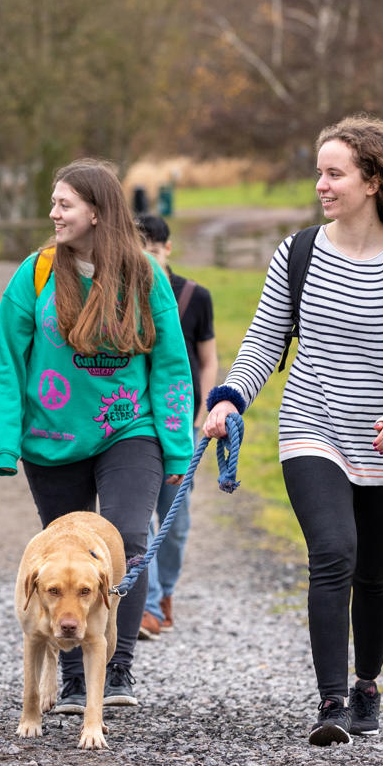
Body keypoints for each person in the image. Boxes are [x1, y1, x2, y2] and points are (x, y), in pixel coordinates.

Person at [203, 115, 383, 746]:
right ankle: (332, 701)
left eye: (334, 173)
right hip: (312, 426)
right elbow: (265, 338)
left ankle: (368, 683)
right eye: (319, 172)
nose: (321, 184)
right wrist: (232, 395)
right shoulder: (299, 253)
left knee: (375, 571)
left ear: (371, 181)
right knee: (333, 553)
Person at [0, 158, 194, 713]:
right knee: (66, 560)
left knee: (126, 538)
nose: (53, 212)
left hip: (130, 428)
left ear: (97, 213)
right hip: (51, 437)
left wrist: (176, 444)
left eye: (64, 204)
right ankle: (75, 678)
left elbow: (172, 366)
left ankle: (116, 664)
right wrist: (4, 443)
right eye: (53, 202)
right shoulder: (36, 275)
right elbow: (6, 361)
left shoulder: (144, 276)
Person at [136, 215, 217, 639]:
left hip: (182, 422)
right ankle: (146, 606)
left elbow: (207, 360)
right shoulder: (125, 293)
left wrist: (204, 413)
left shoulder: (194, 297)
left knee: (175, 519)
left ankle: (164, 591)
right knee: (137, 520)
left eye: (152, 248)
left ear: (167, 248)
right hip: (136, 421)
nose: (145, 257)